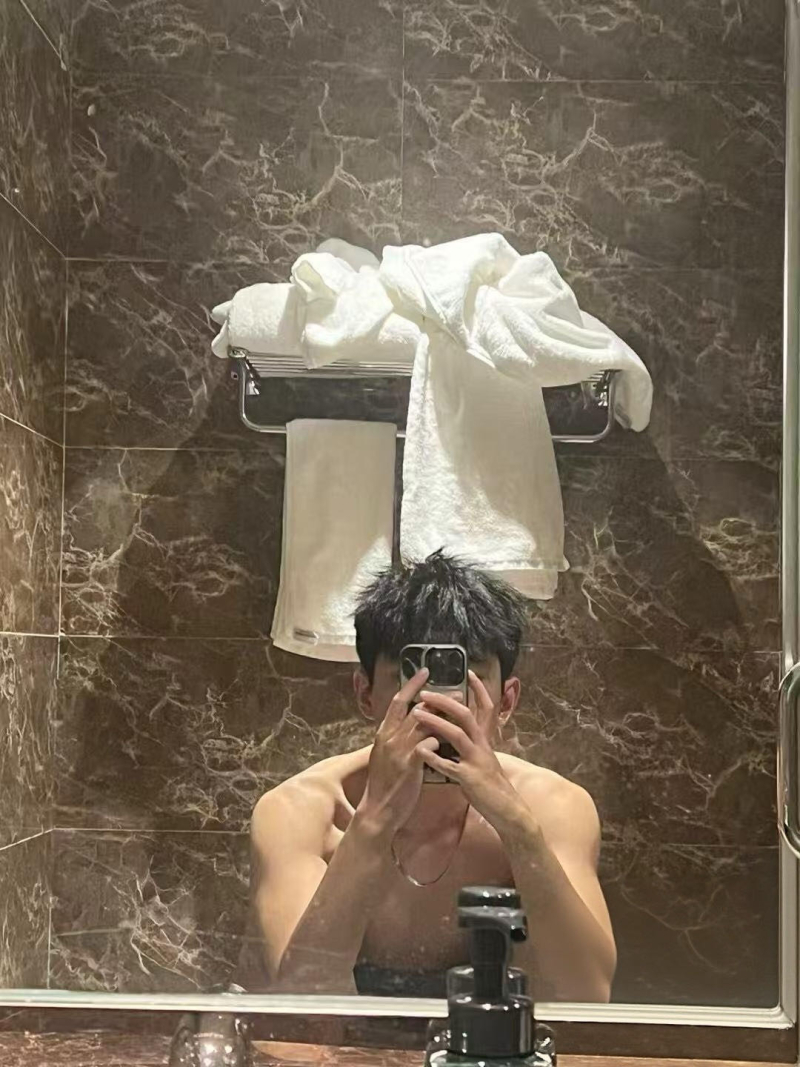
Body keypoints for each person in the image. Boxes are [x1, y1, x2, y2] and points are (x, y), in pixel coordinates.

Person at [236, 550, 616, 1001]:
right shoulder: (301, 812)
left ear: (506, 702)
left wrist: (517, 828)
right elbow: (301, 998)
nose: (439, 707)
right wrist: (374, 820)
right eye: (413, 681)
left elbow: (587, 996)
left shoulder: (552, 808)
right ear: (365, 693)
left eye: (460, 683)